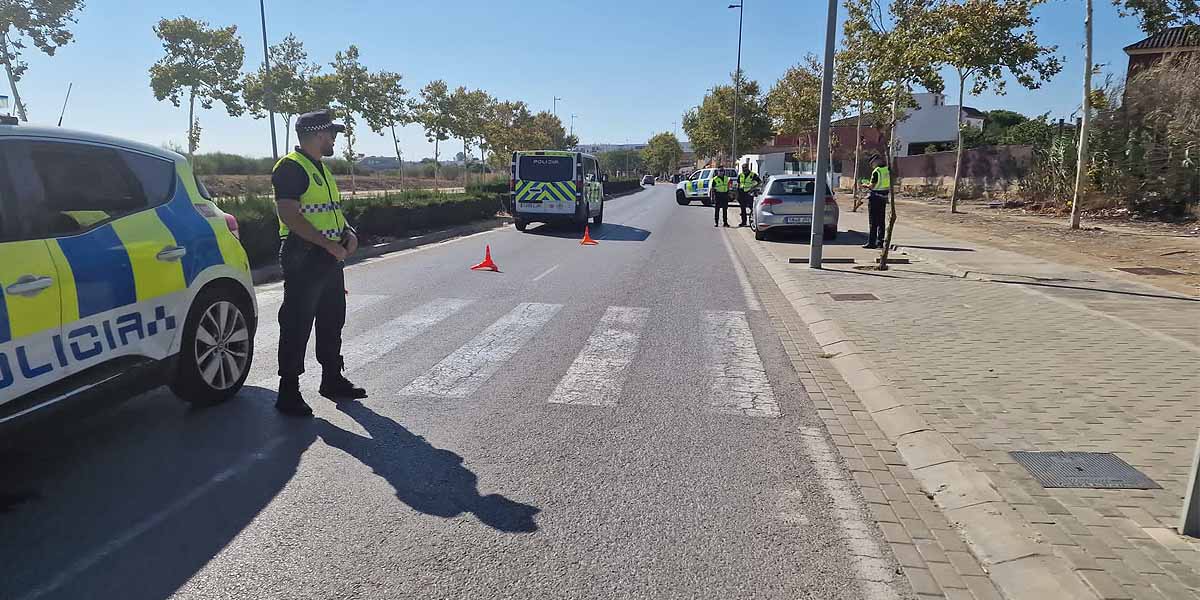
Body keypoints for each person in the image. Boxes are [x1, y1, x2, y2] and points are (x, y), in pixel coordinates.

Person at [272, 109, 368, 417]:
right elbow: (289, 215)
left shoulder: (320, 169)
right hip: (304, 255)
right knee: (297, 322)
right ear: (318, 135)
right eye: (332, 134)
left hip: (328, 255)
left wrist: (348, 233)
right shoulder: (291, 167)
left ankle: (331, 378)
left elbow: (331, 211)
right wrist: (328, 244)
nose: (334, 140)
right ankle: (288, 391)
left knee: (332, 318)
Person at [860, 157, 890, 249]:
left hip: (875, 198)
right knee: (881, 221)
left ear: (876, 162)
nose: (872, 166)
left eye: (872, 164)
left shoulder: (877, 171)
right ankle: (880, 242)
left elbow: (872, 186)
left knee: (873, 222)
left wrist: (865, 185)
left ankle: (871, 242)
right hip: (884, 197)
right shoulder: (887, 170)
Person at [737, 163, 762, 227]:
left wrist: (753, 188)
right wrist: (737, 193)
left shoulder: (753, 175)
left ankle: (753, 221)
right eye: (743, 168)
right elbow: (738, 184)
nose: (744, 169)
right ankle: (743, 222)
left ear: (748, 168)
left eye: (745, 168)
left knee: (751, 207)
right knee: (742, 209)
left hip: (749, 193)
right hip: (741, 193)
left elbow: (760, 182)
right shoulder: (740, 175)